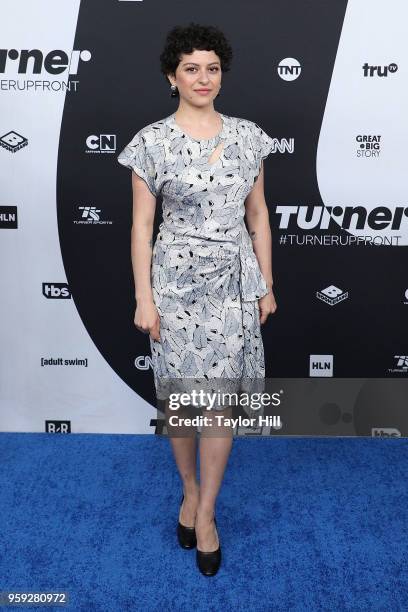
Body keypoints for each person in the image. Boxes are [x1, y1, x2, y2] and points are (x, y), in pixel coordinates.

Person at [117, 22, 277, 576]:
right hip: (175, 286)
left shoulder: (250, 136)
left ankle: (206, 513)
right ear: (172, 76)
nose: (202, 78)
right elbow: (142, 227)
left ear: (221, 74)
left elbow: (258, 215)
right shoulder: (151, 142)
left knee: (221, 405)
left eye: (211, 68)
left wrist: (267, 284)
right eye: (191, 68)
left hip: (233, 285)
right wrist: (145, 297)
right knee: (183, 404)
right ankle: (188, 492)